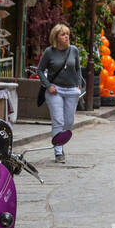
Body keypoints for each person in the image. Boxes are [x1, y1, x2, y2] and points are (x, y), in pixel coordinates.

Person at [36, 23, 83, 164]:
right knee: (58, 120)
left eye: (67, 34)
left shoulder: (74, 50)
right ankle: (58, 150)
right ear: (56, 37)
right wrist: (48, 85)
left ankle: (60, 142)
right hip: (55, 90)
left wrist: (79, 84)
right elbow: (39, 70)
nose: (66, 36)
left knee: (68, 122)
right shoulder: (49, 52)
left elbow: (78, 68)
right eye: (63, 34)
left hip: (71, 90)